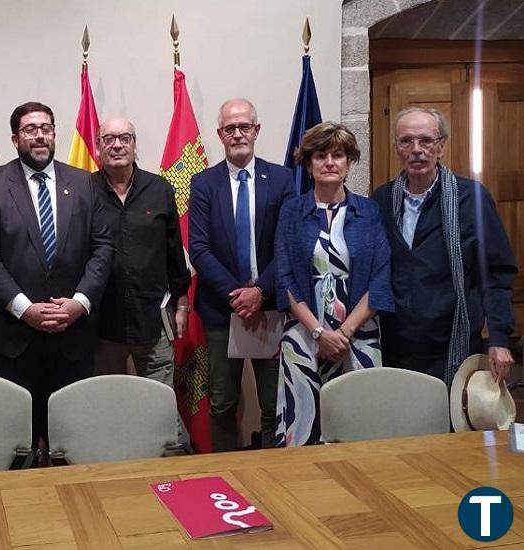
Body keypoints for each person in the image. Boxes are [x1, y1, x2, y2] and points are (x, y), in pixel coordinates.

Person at [0, 101, 114, 450]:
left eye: (45, 128)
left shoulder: (84, 183)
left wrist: (80, 303)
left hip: (72, 337)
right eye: (30, 130)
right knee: (14, 444)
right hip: (14, 340)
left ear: (54, 133)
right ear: (15, 138)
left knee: (70, 441)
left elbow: (103, 248)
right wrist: (24, 308)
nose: (39, 136)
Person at [373, 107, 516, 386]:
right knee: (403, 427)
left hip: (452, 346)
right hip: (395, 346)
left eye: (426, 140)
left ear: (441, 146)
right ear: (397, 149)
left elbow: (496, 275)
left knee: (452, 427)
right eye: (407, 141)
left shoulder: (472, 199)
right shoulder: (382, 199)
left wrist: (499, 337)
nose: (416, 149)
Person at [274, 122, 393, 446]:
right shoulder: (291, 212)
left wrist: (343, 333)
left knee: (358, 422)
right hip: (304, 331)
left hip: (359, 330)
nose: (329, 162)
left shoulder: (368, 211)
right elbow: (284, 278)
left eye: (337, 155)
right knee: (304, 426)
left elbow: (380, 277)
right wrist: (318, 332)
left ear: (348, 161)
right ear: (309, 164)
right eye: (321, 155)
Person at [188, 98, 294, 451]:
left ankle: (267, 473)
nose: (237, 134)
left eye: (244, 126)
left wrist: (260, 292)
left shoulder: (281, 179)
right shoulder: (204, 183)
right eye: (230, 128)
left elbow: (288, 243)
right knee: (222, 401)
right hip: (222, 309)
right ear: (220, 134)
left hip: (271, 307)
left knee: (271, 402)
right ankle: (226, 475)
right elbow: (199, 248)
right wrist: (238, 294)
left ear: (256, 130)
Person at [91, 116, 191, 446]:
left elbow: (174, 251)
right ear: (97, 146)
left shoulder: (160, 189)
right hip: (102, 325)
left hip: (153, 320)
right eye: (109, 139)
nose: (117, 145)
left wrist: (182, 302)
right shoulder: (83, 191)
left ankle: (167, 471)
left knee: (159, 406)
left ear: (135, 145)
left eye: (124, 138)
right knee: (108, 407)